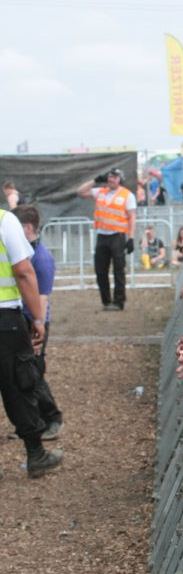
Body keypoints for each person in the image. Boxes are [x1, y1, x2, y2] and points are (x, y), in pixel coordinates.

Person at [0, 207, 63, 478]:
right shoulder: (5, 221)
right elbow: (24, 272)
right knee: (20, 384)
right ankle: (36, 454)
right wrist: (38, 318)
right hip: (5, 319)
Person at [12, 205, 64, 441]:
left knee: (32, 373)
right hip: (22, 318)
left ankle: (53, 419)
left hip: (33, 320)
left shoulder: (41, 258)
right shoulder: (25, 253)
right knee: (23, 372)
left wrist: (38, 324)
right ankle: (33, 422)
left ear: (26, 228)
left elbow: (42, 298)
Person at [77, 167, 136, 311]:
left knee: (118, 270)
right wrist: (95, 180)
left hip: (118, 236)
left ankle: (119, 302)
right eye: (109, 177)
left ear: (120, 179)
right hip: (102, 236)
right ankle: (106, 301)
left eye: (114, 177)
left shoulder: (127, 195)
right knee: (100, 271)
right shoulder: (101, 191)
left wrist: (131, 238)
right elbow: (80, 192)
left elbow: (132, 217)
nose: (111, 179)